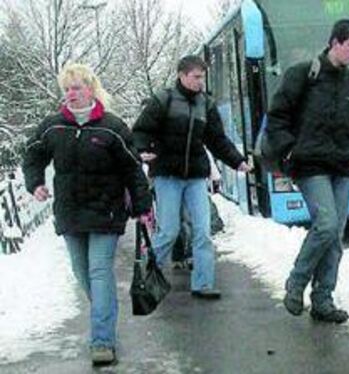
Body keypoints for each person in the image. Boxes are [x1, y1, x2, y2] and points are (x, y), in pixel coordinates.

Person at [22, 63, 152, 366]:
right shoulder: (52, 126)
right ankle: (103, 313)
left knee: (99, 271)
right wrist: (35, 183)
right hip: (69, 212)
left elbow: (133, 169)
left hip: (105, 212)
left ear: (90, 89)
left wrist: (143, 206)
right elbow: (32, 155)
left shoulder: (112, 126)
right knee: (82, 273)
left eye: (76, 87)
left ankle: (102, 341)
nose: (71, 94)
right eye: (67, 89)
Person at [266, 19, 349, 324]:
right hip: (309, 165)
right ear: (334, 43)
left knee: (335, 235)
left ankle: (323, 299)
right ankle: (297, 281)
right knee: (327, 224)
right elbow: (276, 118)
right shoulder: (302, 75)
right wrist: (289, 151)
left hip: (342, 167)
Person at [132, 55, 250, 300]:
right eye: (196, 77)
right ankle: (149, 276)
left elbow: (217, 139)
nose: (200, 82)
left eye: (202, 77)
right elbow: (141, 130)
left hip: (196, 175)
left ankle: (203, 283)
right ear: (182, 75)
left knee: (202, 230)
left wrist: (237, 160)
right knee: (169, 230)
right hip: (167, 174)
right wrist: (142, 150)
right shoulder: (162, 100)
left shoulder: (205, 104)